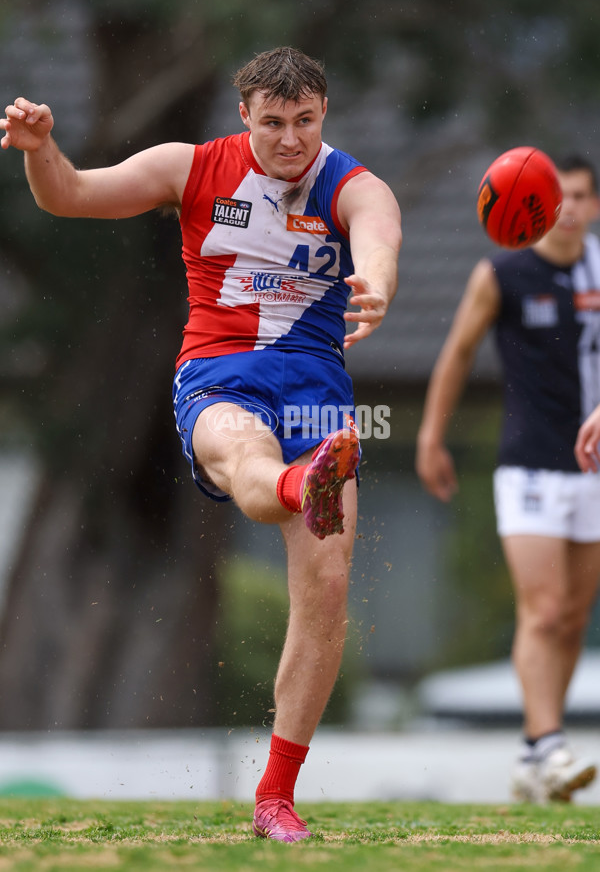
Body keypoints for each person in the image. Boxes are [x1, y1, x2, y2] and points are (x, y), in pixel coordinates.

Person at [1, 47, 402, 840]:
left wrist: (378, 285)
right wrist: (43, 150)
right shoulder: (189, 168)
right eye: (275, 123)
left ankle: (275, 796)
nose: (292, 140)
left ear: (325, 115)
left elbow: (379, 235)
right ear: (244, 114)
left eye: (307, 122)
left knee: (324, 588)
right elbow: (72, 197)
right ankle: (301, 486)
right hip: (221, 377)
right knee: (248, 460)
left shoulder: (353, 184)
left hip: (319, 394)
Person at [416, 154, 600, 804]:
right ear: (543, 202)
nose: (571, 208)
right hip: (527, 464)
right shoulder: (503, 272)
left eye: (581, 195)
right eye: (562, 196)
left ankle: (532, 754)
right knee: (544, 609)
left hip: (594, 471)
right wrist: (431, 434)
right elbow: (458, 350)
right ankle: (550, 743)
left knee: (574, 617)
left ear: (595, 205)